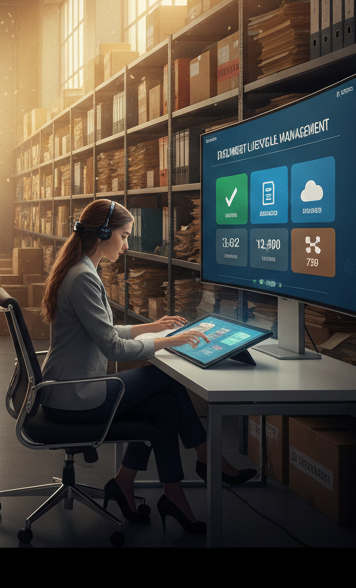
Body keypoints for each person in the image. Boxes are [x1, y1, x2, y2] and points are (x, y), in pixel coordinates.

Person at [37, 198, 255, 534]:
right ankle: (205, 460)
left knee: (165, 406)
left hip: (68, 389)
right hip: (75, 397)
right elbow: (111, 346)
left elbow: (102, 330)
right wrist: (169, 341)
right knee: (162, 379)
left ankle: (157, 489)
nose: (126, 245)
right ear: (104, 233)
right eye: (123, 236)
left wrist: (151, 328)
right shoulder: (83, 277)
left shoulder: (81, 269)